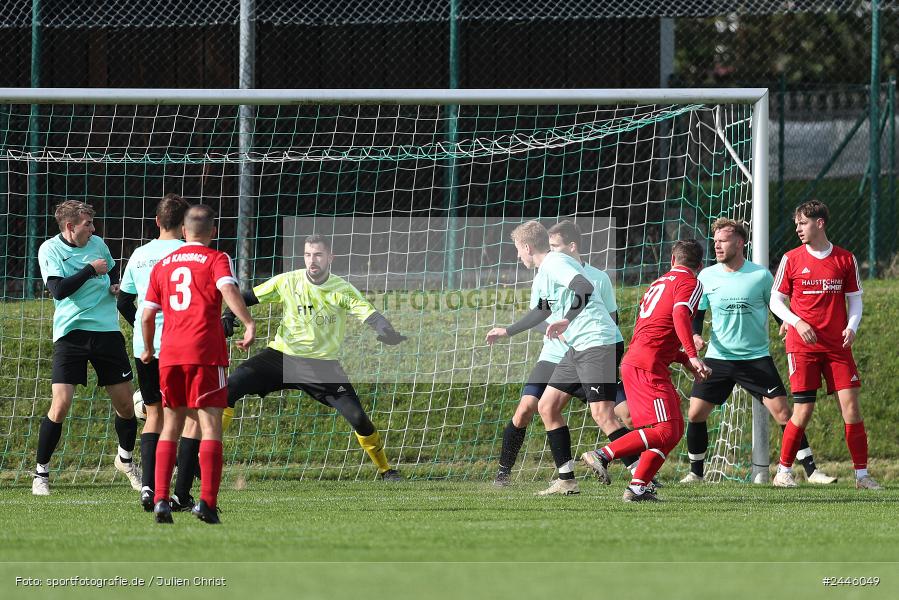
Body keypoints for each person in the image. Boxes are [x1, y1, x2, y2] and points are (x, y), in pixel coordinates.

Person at [221, 234, 406, 481]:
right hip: (281, 356)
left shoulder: (342, 289)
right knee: (228, 388)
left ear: (330, 257)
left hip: (322, 366)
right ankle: (201, 458)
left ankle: (386, 470)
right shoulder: (288, 281)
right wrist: (228, 315)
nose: (312, 260)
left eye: (318, 255)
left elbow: (371, 316)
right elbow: (245, 297)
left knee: (358, 418)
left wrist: (387, 331)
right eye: (308, 255)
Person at [682, 218, 836, 485]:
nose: (717, 246)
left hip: (755, 359)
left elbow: (775, 304)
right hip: (719, 358)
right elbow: (698, 312)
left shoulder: (760, 275)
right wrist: (695, 334)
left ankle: (811, 472)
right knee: (695, 413)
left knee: (784, 413)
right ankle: (696, 473)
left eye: (723, 240)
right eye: (715, 241)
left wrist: (784, 323)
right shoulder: (706, 276)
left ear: (739, 242)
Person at [490, 220, 638, 488]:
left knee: (603, 415)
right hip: (577, 347)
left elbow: (584, 287)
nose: (518, 256)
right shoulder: (545, 271)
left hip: (596, 342)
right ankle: (566, 481)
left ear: (527, 247)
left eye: (518, 250)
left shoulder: (555, 262)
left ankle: (643, 475)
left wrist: (567, 319)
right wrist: (508, 331)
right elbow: (542, 310)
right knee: (546, 406)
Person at [142, 204, 256, 524]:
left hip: (171, 355)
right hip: (205, 353)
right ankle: (207, 503)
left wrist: (149, 348)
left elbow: (147, 314)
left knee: (171, 425)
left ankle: (161, 500)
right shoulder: (216, 258)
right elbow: (228, 288)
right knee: (210, 426)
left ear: (183, 231)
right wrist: (248, 322)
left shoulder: (163, 265)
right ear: (213, 232)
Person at [582, 240, 711, 502]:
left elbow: (656, 332)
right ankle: (602, 455)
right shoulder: (691, 282)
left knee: (673, 430)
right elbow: (679, 316)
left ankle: (638, 488)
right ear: (699, 265)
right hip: (647, 366)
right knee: (665, 431)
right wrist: (693, 354)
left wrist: (685, 360)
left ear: (672, 260)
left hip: (641, 361)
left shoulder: (658, 283)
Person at [769, 200, 880, 489]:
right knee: (803, 411)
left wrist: (851, 327)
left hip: (837, 347)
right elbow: (775, 301)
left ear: (819, 223)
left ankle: (862, 476)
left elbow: (855, 300)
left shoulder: (845, 259)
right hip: (802, 347)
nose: (798, 229)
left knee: (851, 408)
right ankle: (783, 472)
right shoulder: (791, 259)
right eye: (796, 224)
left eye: (803, 223)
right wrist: (797, 322)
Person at [34, 200, 141, 496]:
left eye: (92, 223)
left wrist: (115, 286)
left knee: (126, 405)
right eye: (87, 224)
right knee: (61, 404)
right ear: (70, 227)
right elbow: (58, 290)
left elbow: (114, 274)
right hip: (71, 334)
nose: (93, 229)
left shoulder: (98, 244)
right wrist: (90, 270)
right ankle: (41, 473)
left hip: (107, 332)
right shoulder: (50, 249)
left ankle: (126, 461)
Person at [118, 193, 206, 512]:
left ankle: (148, 487)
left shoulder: (139, 254)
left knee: (153, 414)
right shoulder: (191, 253)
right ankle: (181, 493)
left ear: (157, 221)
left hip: (146, 347)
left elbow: (123, 301)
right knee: (191, 416)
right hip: (182, 345)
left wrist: (144, 329)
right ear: (184, 225)